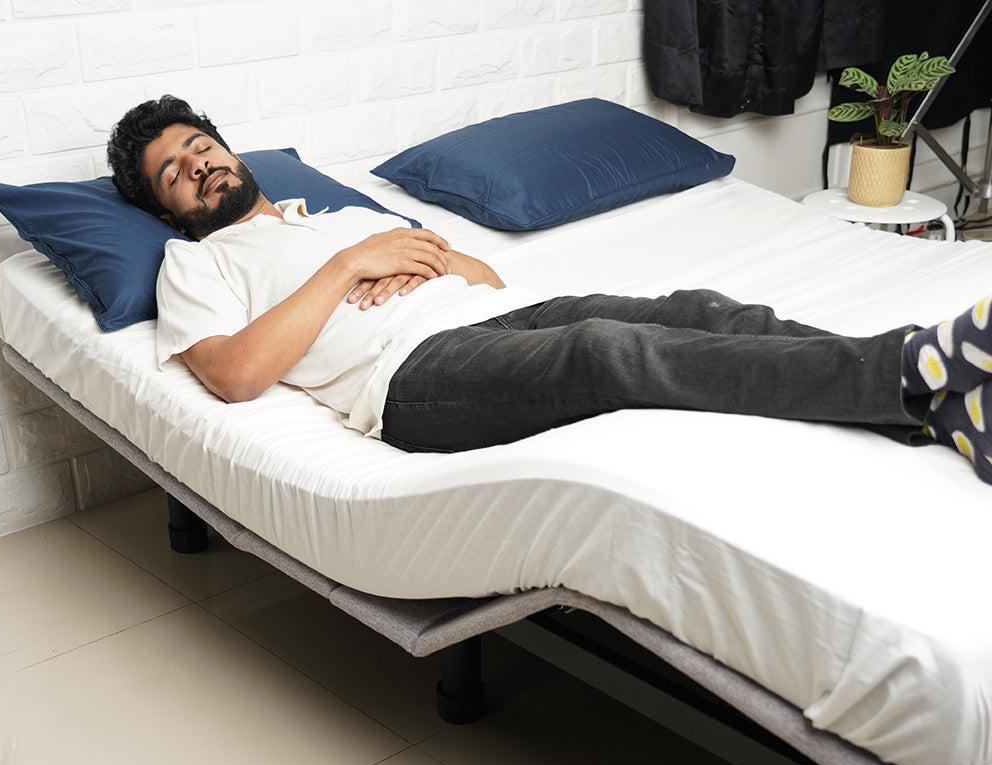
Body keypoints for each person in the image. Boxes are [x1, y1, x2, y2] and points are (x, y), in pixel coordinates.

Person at [107, 96, 992, 484]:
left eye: (200, 148)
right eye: (174, 174)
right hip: (409, 384)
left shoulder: (330, 214)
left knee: (695, 311)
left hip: (494, 313)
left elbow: (485, 273)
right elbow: (232, 374)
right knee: (608, 354)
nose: (196, 167)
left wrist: (417, 260)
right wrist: (352, 269)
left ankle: (934, 398)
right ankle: (916, 374)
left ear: (231, 149)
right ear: (167, 206)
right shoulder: (198, 264)